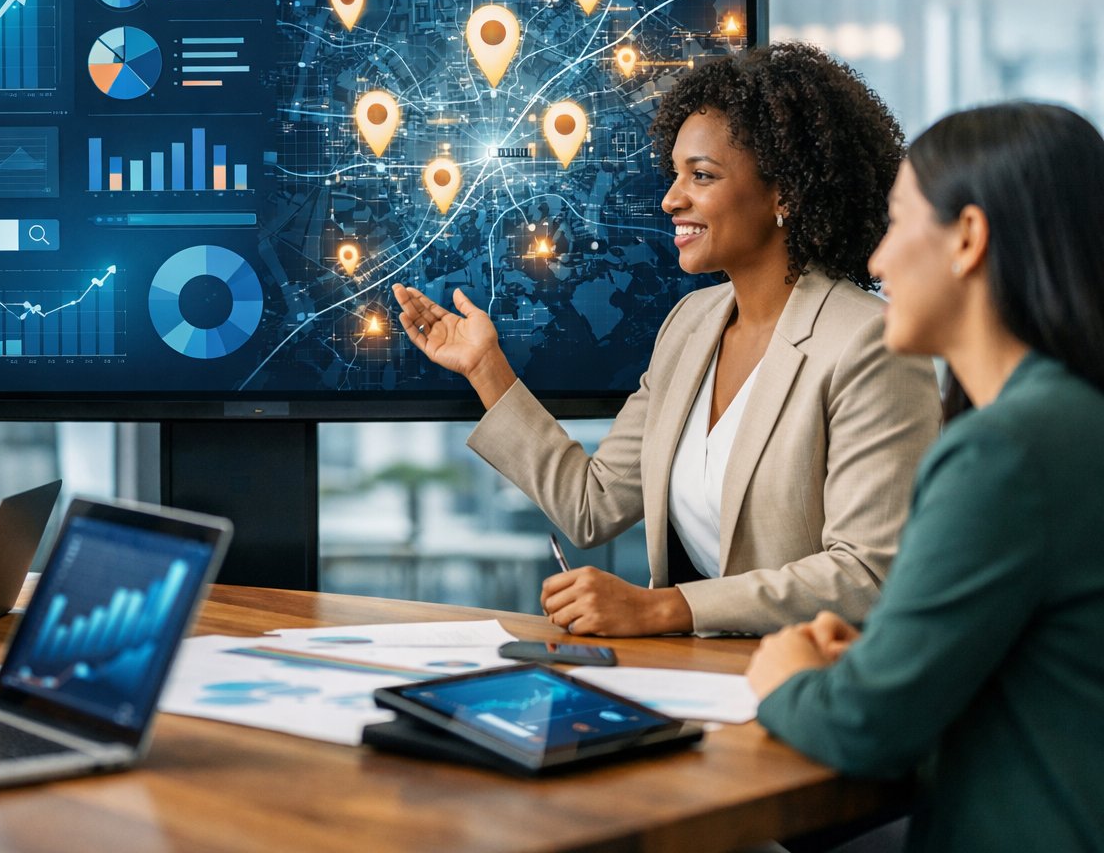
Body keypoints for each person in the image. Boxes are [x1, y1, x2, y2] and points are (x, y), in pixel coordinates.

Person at [392, 43, 941, 636]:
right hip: (695, 675)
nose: (670, 199)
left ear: (785, 192)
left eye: (701, 176)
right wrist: (485, 367)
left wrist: (664, 608)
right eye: (674, 173)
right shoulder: (690, 325)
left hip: (813, 688)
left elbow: (869, 574)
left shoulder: (870, 343)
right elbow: (592, 503)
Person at [747, 102, 1104, 851]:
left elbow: (865, 727)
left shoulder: (1006, 451)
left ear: (968, 238)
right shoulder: (1072, 422)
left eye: (898, 222)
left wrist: (785, 675)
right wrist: (889, 659)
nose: (877, 263)